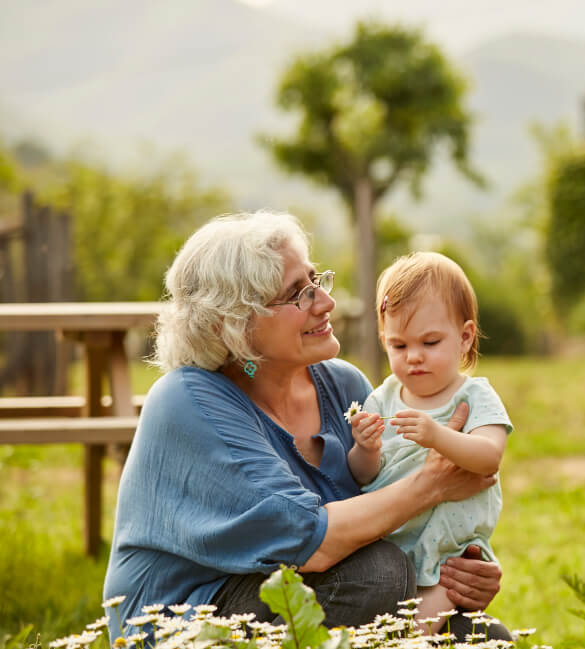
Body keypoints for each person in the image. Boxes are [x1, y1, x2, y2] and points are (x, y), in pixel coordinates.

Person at [103, 212, 510, 642]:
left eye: (316, 281)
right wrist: (433, 484)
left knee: (486, 638)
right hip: (189, 619)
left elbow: (387, 505)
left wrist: (461, 566)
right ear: (234, 323)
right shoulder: (187, 400)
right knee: (378, 574)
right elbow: (310, 542)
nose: (326, 302)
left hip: (313, 590)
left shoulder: (344, 386)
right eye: (298, 294)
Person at [347, 251, 511, 636]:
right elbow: (362, 476)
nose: (414, 357)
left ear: (465, 337)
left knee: (412, 632)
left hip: (449, 553)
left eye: (430, 342)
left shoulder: (474, 396)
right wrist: (365, 449)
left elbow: (489, 457)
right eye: (399, 346)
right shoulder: (382, 399)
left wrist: (438, 435)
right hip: (392, 541)